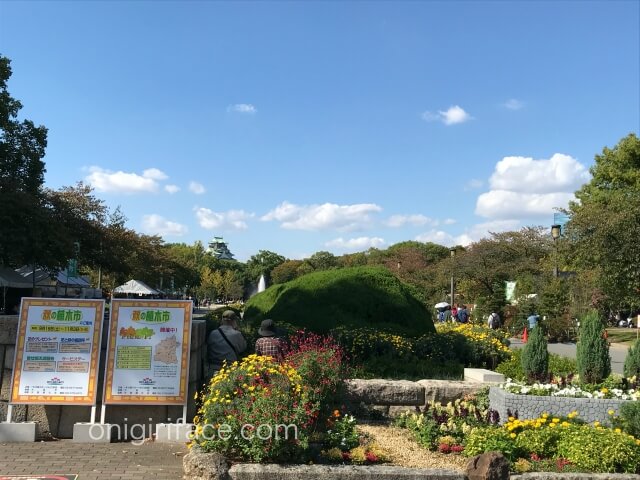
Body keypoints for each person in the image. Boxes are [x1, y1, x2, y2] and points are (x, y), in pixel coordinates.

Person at [207, 310, 247, 375]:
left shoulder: (213, 333)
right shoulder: (237, 334)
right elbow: (242, 348)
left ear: (222, 320)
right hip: (230, 369)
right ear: (234, 321)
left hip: (213, 368)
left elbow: (208, 348)